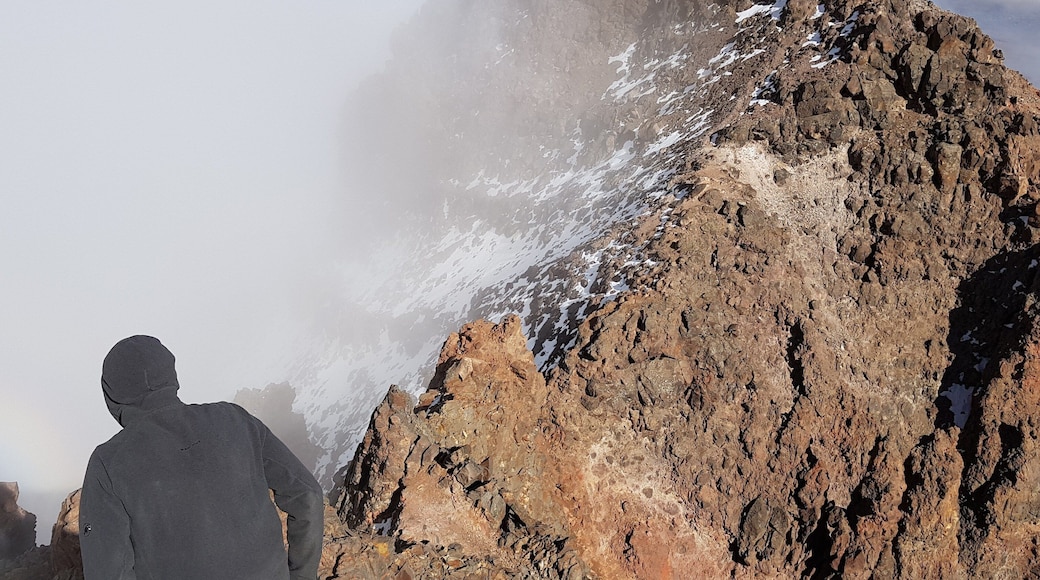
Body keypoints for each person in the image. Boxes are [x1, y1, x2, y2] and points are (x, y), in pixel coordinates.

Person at [79, 335, 324, 580]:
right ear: (171, 376)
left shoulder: (108, 463)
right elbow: (307, 494)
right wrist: (302, 575)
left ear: (111, 395)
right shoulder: (235, 419)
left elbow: (109, 572)